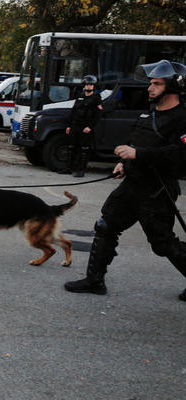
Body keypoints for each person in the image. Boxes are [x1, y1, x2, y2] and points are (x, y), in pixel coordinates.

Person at [64, 60, 186, 301]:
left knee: (162, 244)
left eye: (157, 84)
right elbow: (137, 142)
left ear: (173, 87)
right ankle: (94, 281)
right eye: (150, 83)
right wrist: (124, 162)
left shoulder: (182, 118)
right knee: (105, 226)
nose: (150, 88)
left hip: (157, 191)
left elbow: (181, 157)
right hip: (132, 184)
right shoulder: (149, 113)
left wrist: (138, 154)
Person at [58, 75, 102, 177]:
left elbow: (98, 116)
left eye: (91, 85)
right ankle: (68, 168)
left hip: (85, 127)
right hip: (75, 126)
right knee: (71, 147)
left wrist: (90, 127)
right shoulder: (80, 96)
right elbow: (74, 111)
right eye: (87, 84)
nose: (89, 86)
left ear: (94, 86)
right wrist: (69, 126)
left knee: (84, 149)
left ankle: (81, 170)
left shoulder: (96, 99)